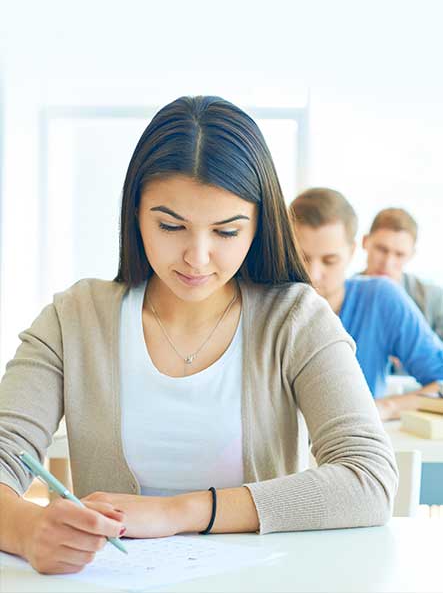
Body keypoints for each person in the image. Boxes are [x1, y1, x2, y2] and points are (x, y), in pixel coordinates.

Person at [0, 97, 397, 575]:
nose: (197, 257)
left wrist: (178, 512)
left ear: (259, 227)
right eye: (170, 226)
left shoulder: (295, 319)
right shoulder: (73, 319)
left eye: (226, 232)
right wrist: (25, 528)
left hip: (264, 583)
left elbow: (368, 477)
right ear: (135, 214)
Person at [289, 187, 443, 422]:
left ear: (352, 252)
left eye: (330, 261)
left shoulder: (381, 299)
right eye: (302, 257)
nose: (313, 275)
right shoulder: (263, 303)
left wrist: (386, 407)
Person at [362, 207, 443, 341]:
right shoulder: (340, 294)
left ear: (411, 254)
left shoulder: (434, 299)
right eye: (381, 249)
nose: (387, 263)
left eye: (399, 254)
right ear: (365, 242)